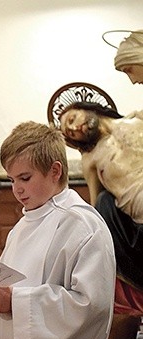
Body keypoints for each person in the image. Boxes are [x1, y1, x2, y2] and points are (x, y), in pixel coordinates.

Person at [0, 121, 115, 339]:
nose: (17, 189)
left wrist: (15, 301)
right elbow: (10, 292)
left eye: (25, 178)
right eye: (12, 180)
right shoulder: (21, 227)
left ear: (55, 170)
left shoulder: (82, 224)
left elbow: (90, 305)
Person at [58, 101, 143, 315]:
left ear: (87, 107)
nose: (75, 128)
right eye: (70, 134)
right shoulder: (91, 160)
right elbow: (97, 212)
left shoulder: (137, 120)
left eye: (72, 119)